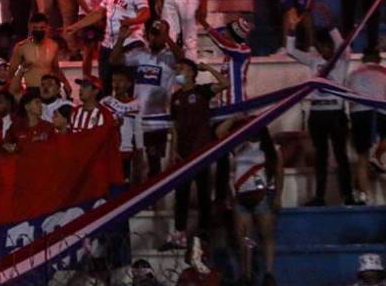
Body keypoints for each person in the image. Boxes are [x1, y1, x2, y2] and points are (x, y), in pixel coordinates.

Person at [284, 11, 355, 205]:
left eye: (328, 45)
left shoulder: (342, 60)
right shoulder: (314, 60)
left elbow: (344, 46)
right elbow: (290, 51)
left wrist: (331, 24)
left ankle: (348, 196)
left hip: (336, 113)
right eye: (322, 46)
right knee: (321, 158)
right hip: (317, 114)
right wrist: (291, 29)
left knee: (341, 156)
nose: (325, 49)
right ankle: (319, 197)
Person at [163, 58, 230, 249]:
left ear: (192, 72)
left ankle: (204, 233)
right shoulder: (175, 97)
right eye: (177, 68)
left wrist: (208, 66)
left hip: (201, 151)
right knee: (181, 194)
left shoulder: (202, 91)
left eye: (182, 68)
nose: (178, 72)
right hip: (183, 153)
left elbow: (225, 84)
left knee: (203, 192)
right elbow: (174, 127)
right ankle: (180, 233)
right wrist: (173, 150)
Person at [215, 119, 282, 286]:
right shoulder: (238, 146)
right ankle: (246, 274)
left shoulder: (272, 149)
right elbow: (219, 133)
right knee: (245, 239)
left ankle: (268, 273)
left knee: (266, 236)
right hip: (241, 198)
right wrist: (236, 116)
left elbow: (280, 175)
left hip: (263, 197)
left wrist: (278, 197)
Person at [111, 21, 182, 176]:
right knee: (134, 161)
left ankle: (154, 198)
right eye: (153, 34)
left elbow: (182, 59)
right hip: (137, 117)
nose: (154, 38)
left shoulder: (170, 57)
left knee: (154, 163)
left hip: (159, 120)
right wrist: (121, 39)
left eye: (158, 35)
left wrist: (167, 38)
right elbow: (114, 60)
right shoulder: (140, 53)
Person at [64, 0, 150, 83]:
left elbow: (145, 12)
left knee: (128, 83)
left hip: (129, 43)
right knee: (105, 84)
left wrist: (133, 21)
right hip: (108, 44)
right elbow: (99, 12)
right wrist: (76, 26)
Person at [348, 50, 384, 205]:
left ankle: (365, 198)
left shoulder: (354, 74)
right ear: (378, 60)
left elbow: (349, 97)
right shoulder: (383, 72)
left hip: (359, 113)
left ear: (363, 60)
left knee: (361, 158)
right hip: (381, 110)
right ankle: (376, 156)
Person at [101, 66, 145, 182]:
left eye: (120, 81)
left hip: (126, 150)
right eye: (114, 81)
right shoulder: (105, 102)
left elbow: (138, 130)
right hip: (108, 150)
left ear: (129, 84)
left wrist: (139, 151)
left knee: (124, 181)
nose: (116, 84)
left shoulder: (135, 104)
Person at [8, 13, 69, 93]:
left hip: (49, 90)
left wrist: (66, 83)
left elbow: (56, 69)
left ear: (47, 28)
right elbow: (11, 72)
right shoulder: (22, 47)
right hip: (32, 89)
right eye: (35, 28)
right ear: (30, 28)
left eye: (42, 27)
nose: (38, 30)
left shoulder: (53, 45)